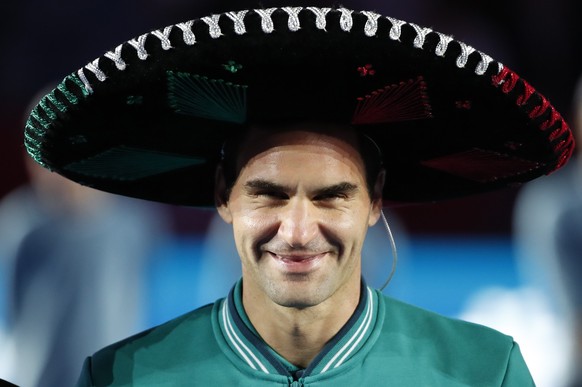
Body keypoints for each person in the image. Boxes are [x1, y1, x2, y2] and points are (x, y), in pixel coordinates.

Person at [23, 7, 574, 386]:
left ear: (375, 200)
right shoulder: (124, 377)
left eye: (332, 196)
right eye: (268, 195)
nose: (298, 230)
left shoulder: (483, 371)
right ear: (223, 197)